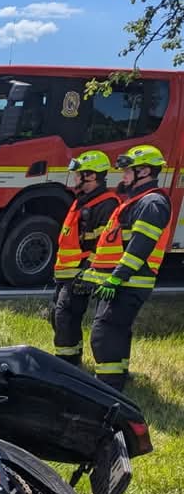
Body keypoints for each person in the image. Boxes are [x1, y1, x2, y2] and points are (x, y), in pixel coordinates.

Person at [81, 144, 172, 390]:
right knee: (116, 332)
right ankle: (117, 381)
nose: (123, 176)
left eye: (128, 171)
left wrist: (116, 278)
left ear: (143, 171)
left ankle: (107, 389)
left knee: (104, 334)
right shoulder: (138, 201)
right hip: (122, 281)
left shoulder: (152, 203)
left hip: (129, 282)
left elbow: (140, 247)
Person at [51, 151, 120, 365]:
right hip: (66, 272)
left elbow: (105, 247)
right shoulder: (83, 200)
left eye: (79, 174)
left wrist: (87, 273)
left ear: (91, 176)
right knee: (57, 315)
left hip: (80, 273)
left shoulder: (107, 205)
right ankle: (73, 355)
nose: (75, 178)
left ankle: (66, 363)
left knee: (65, 316)